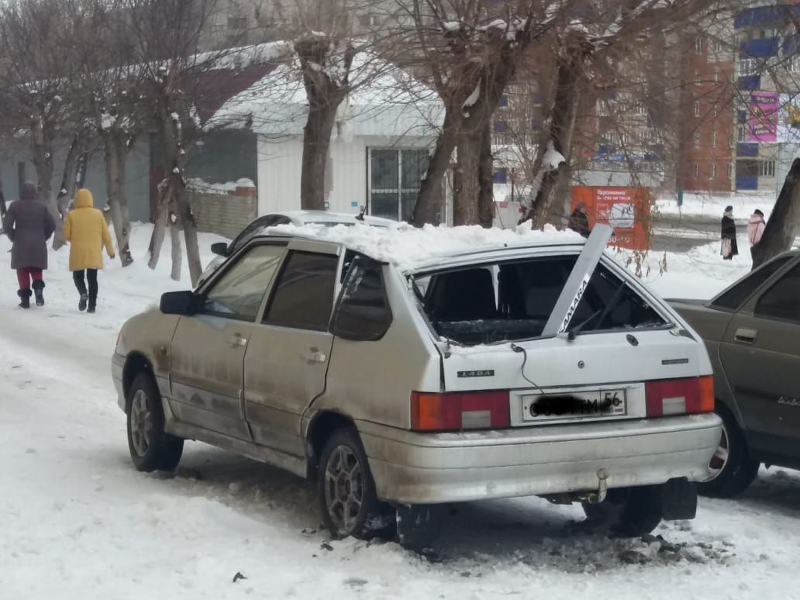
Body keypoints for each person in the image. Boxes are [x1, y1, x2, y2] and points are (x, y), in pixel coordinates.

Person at [2, 182, 56, 309]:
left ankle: (25, 300)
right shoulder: (41, 206)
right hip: (38, 244)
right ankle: (38, 288)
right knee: (36, 269)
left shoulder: (15, 206)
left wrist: (13, 236)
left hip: (20, 243)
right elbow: (52, 224)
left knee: (23, 270)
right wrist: (44, 236)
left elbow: (7, 226)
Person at [64, 188, 115, 313]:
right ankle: (92, 306)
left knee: (78, 276)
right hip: (93, 252)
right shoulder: (98, 214)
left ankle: (83, 293)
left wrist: (75, 239)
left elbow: (66, 235)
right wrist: (110, 251)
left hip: (78, 251)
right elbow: (106, 235)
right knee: (93, 279)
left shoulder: (72, 215)